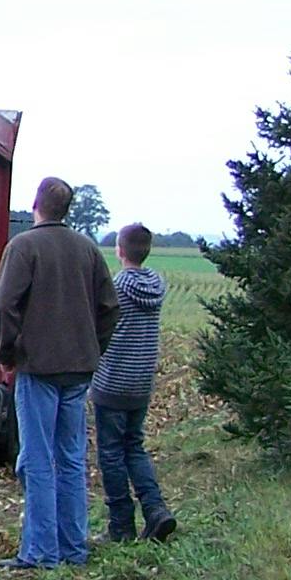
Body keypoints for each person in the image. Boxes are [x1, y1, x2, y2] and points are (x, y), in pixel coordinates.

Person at [0, 176, 120, 569]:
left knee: (38, 460)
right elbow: (110, 308)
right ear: (68, 209)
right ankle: (73, 548)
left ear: (36, 206)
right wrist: (93, 346)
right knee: (72, 457)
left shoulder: (24, 246)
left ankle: (41, 552)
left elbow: (3, 304)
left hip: (39, 368)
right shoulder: (87, 249)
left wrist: (6, 353)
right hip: (79, 371)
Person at [91, 223, 177, 542]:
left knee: (111, 454)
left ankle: (121, 526)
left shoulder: (116, 287)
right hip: (141, 382)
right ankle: (156, 510)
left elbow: (99, 326)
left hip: (112, 381)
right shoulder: (157, 285)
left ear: (120, 251)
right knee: (134, 447)